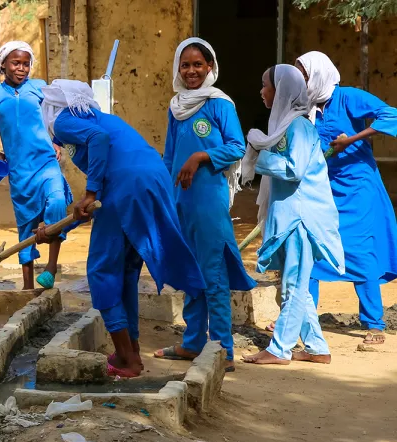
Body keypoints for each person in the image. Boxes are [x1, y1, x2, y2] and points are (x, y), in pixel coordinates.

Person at [38, 79, 206, 378]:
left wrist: (90, 194)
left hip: (127, 185)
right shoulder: (98, 117)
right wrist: (83, 208)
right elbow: (108, 154)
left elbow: (99, 142)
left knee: (102, 271)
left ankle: (129, 361)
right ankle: (131, 352)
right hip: (150, 179)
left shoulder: (64, 120)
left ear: (51, 106)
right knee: (126, 270)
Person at [154, 38, 256, 372]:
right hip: (182, 201)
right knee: (190, 272)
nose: (192, 71)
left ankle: (223, 351)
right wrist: (167, 196)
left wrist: (200, 157)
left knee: (212, 273)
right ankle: (193, 343)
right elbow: (170, 156)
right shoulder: (175, 105)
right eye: (186, 65)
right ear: (177, 69)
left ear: (210, 67)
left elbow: (237, 146)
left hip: (209, 199)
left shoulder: (218, 104)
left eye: (198, 64)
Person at [288, 51, 397, 345]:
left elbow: (392, 115)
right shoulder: (304, 108)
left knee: (360, 252)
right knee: (310, 250)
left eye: (305, 76)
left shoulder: (348, 97)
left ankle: (374, 324)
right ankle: (300, 318)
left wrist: (353, 138)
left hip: (358, 188)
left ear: (319, 74)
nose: (301, 81)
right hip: (323, 189)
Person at [241, 65, 345, 365]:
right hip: (291, 215)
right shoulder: (285, 127)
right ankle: (316, 347)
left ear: (282, 89)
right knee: (296, 285)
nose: (262, 91)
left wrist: (262, 156)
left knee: (294, 286)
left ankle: (279, 349)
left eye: (266, 85)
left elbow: (294, 169)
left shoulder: (297, 128)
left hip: (300, 218)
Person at [0, 41, 72, 290]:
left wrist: (57, 141)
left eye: (26, 64)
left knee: (57, 201)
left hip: (46, 162)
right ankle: (27, 289)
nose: (22, 68)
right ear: (3, 64)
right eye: (16, 63)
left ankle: (51, 267)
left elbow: (58, 114)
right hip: (19, 170)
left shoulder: (39, 89)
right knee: (26, 225)